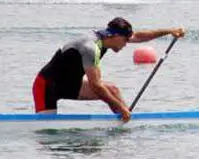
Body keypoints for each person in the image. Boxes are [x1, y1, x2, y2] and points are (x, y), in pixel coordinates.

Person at [32, 18, 186, 120]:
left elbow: (138, 36)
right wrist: (118, 106)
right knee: (48, 133)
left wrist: (169, 31)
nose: (126, 44)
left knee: (113, 90)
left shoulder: (109, 37)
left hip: (70, 83)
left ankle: (125, 121)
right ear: (115, 36)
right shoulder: (90, 48)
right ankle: (124, 114)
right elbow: (96, 86)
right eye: (125, 40)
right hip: (46, 86)